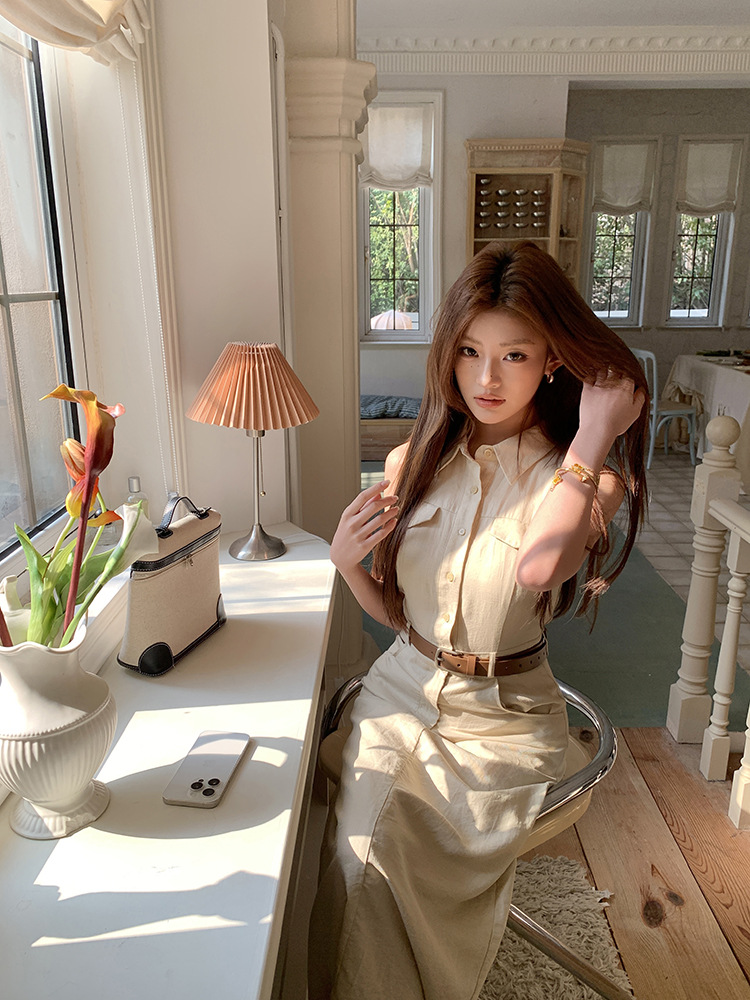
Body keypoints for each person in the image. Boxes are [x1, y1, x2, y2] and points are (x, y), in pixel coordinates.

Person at [309, 241, 648, 1000]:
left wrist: (594, 433)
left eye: (514, 355)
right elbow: (401, 617)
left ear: (553, 360)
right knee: (362, 854)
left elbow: (538, 569)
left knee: (387, 851)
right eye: (469, 351)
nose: (486, 379)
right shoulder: (414, 462)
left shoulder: (588, 480)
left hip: (503, 720)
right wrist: (346, 562)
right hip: (399, 690)